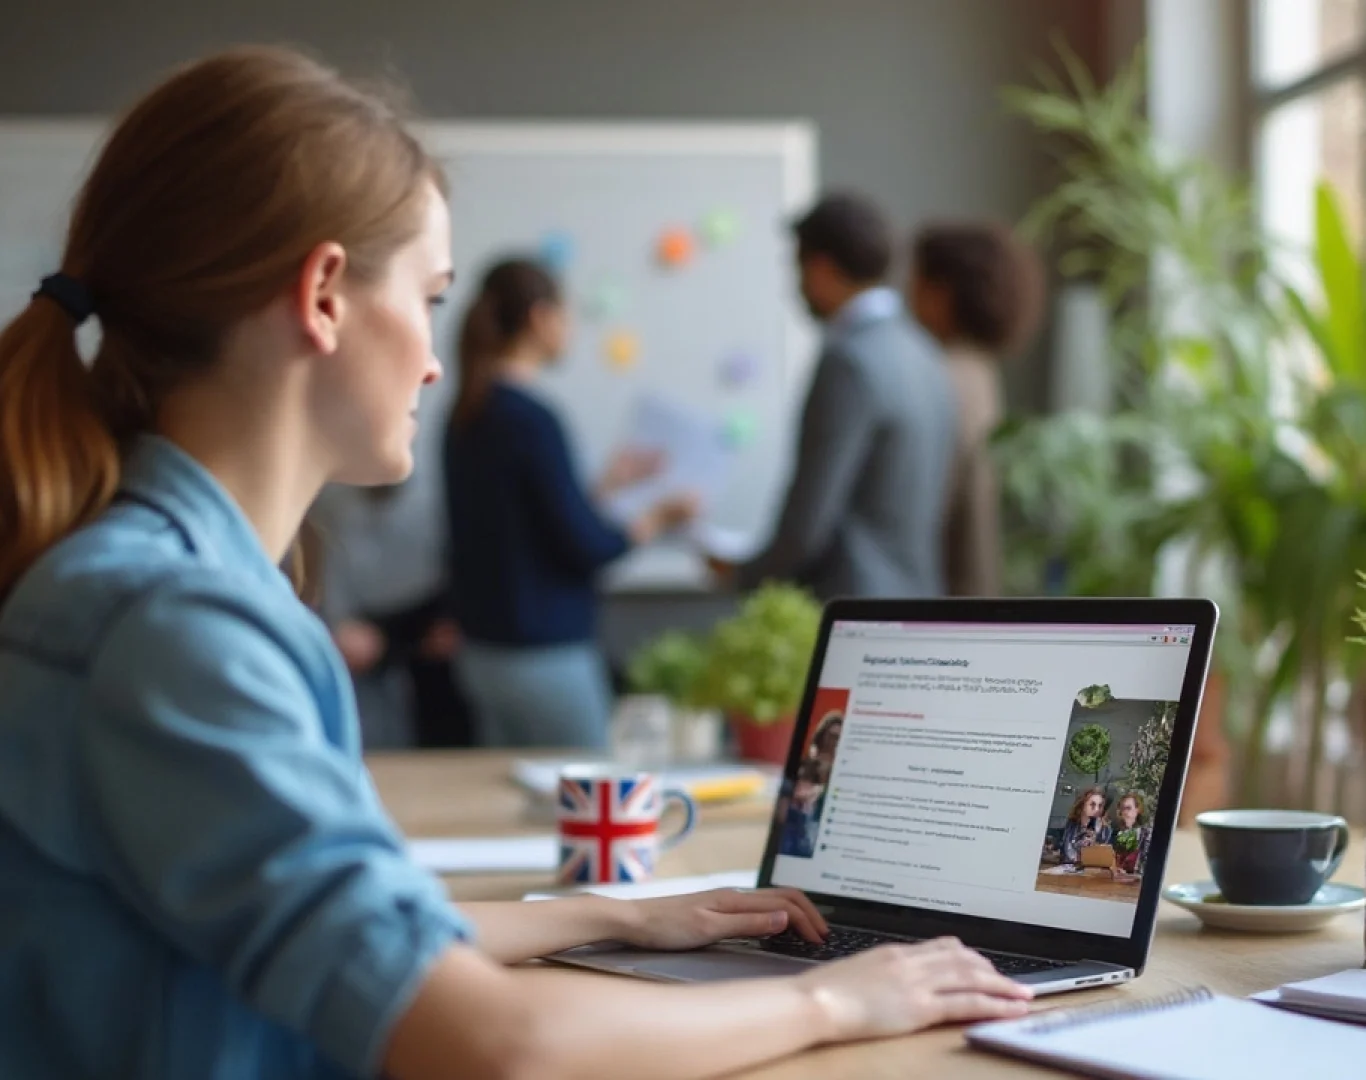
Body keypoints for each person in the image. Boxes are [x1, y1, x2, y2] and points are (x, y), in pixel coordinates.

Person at [0, 47, 1033, 1080]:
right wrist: (838, 998)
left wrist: (612, 916)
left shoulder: (158, 587)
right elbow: (497, 1047)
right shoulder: (172, 627)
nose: (438, 358)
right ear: (323, 295)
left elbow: (362, 929)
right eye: (432, 298)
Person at [443, 258, 697, 749]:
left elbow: (521, 528)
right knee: (591, 793)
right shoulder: (534, 420)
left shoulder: (466, 415)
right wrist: (658, 517)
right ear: (541, 318)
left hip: (482, 654)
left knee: (509, 808)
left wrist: (605, 487)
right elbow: (585, 546)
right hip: (543, 656)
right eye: (566, 315)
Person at [710, 192, 958, 601]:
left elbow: (809, 521)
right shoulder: (924, 353)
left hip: (855, 610)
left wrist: (745, 575)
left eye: (797, 269)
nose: (797, 287)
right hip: (917, 597)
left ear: (820, 268)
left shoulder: (849, 362)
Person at [907, 221, 1046, 597]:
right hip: (974, 579)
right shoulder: (980, 369)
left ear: (941, 293)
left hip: (946, 587)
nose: (908, 298)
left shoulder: (943, 375)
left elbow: (930, 501)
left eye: (915, 283)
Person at [311, 481, 473, 748]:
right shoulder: (334, 502)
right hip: (359, 631)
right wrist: (339, 625)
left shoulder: (432, 498)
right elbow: (329, 571)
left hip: (431, 626)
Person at [1060, 787, 1113, 866]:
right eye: (1092, 804)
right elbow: (1066, 852)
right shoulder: (1072, 825)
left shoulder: (1105, 830)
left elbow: (1104, 857)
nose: (1096, 809)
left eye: (1100, 806)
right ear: (1082, 805)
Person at [1110, 791, 1151, 884]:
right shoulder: (1117, 834)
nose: (1125, 812)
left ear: (1137, 810)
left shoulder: (1146, 834)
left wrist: (1131, 875)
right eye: (1122, 809)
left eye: (1128, 808)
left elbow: (1147, 867)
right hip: (1118, 882)